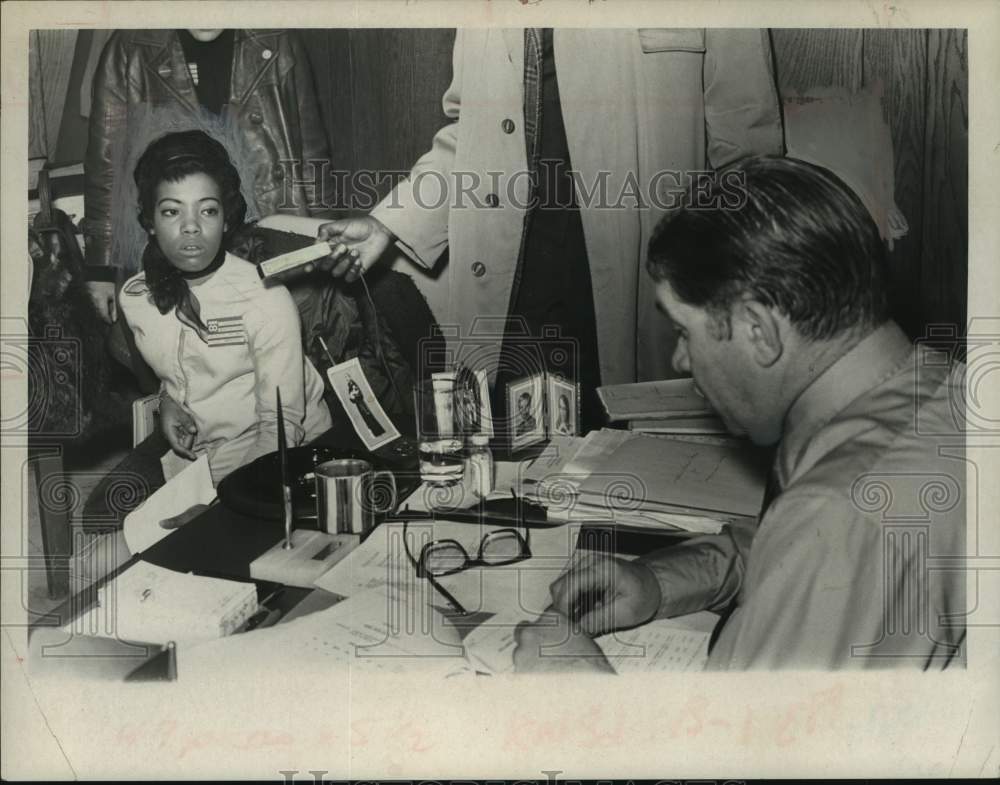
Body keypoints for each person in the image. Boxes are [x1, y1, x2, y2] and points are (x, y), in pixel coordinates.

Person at [513, 156, 966, 671]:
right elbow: (807, 554)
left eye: (685, 331)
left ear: (758, 331)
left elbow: (739, 751)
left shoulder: (845, 512)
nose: (681, 359)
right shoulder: (938, 388)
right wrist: (665, 579)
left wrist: (573, 684)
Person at [311, 28, 783, 430]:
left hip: (638, 303)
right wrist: (388, 223)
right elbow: (467, 134)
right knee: (518, 503)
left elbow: (747, 157)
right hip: (513, 306)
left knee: (633, 497)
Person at [83, 130, 332, 526]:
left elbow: (280, 430)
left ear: (227, 217)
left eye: (207, 210)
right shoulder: (135, 297)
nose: (191, 227)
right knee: (103, 517)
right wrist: (167, 402)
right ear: (148, 221)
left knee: (196, 539)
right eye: (171, 212)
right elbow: (165, 373)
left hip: (272, 445)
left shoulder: (264, 299)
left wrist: (220, 503)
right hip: (194, 444)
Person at [83, 29, 329, 334]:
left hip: (269, 235)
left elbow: (311, 157)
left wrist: (326, 241)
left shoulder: (278, 39)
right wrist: (100, 267)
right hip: (172, 246)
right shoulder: (129, 47)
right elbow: (107, 164)